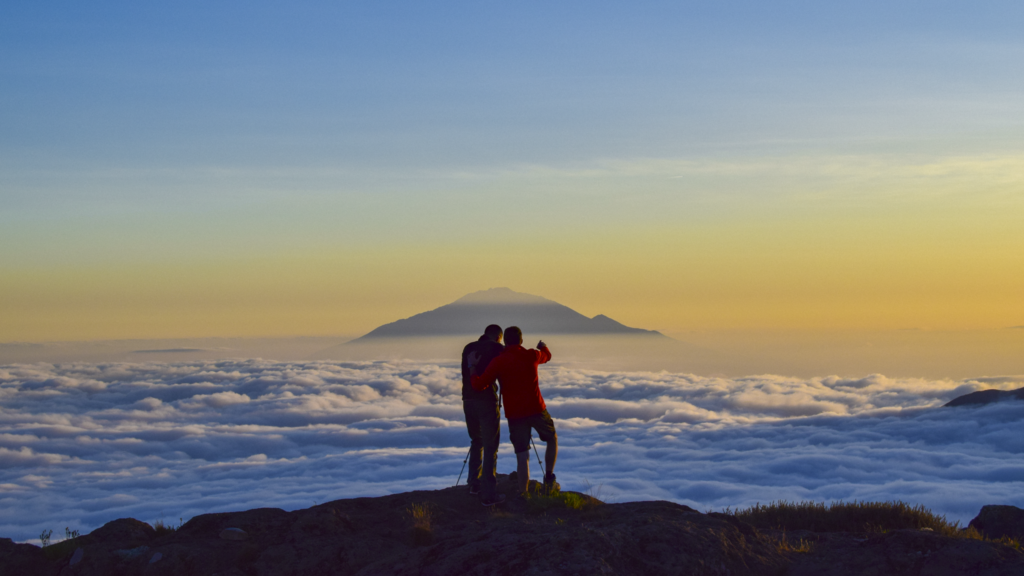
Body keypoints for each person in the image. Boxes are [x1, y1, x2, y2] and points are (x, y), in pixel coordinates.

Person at [472, 326, 558, 495]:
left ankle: (523, 493)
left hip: (515, 415)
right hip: (537, 409)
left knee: (522, 455)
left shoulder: (499, 361)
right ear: (521, 340)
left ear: (505, 342)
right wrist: (543, 346)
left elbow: (479, 385)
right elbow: (547, 356)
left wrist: (472, 367)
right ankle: (549, 478)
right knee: (552, 438)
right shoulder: (532, 355)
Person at [461, 324, 506, 506]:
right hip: (486, 400)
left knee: (476, 441)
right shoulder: (497, 349)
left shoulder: (468, 347)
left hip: (467, 400)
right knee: (490, 446)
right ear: (498, 337)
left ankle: (474, 484)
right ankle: (488, 495)